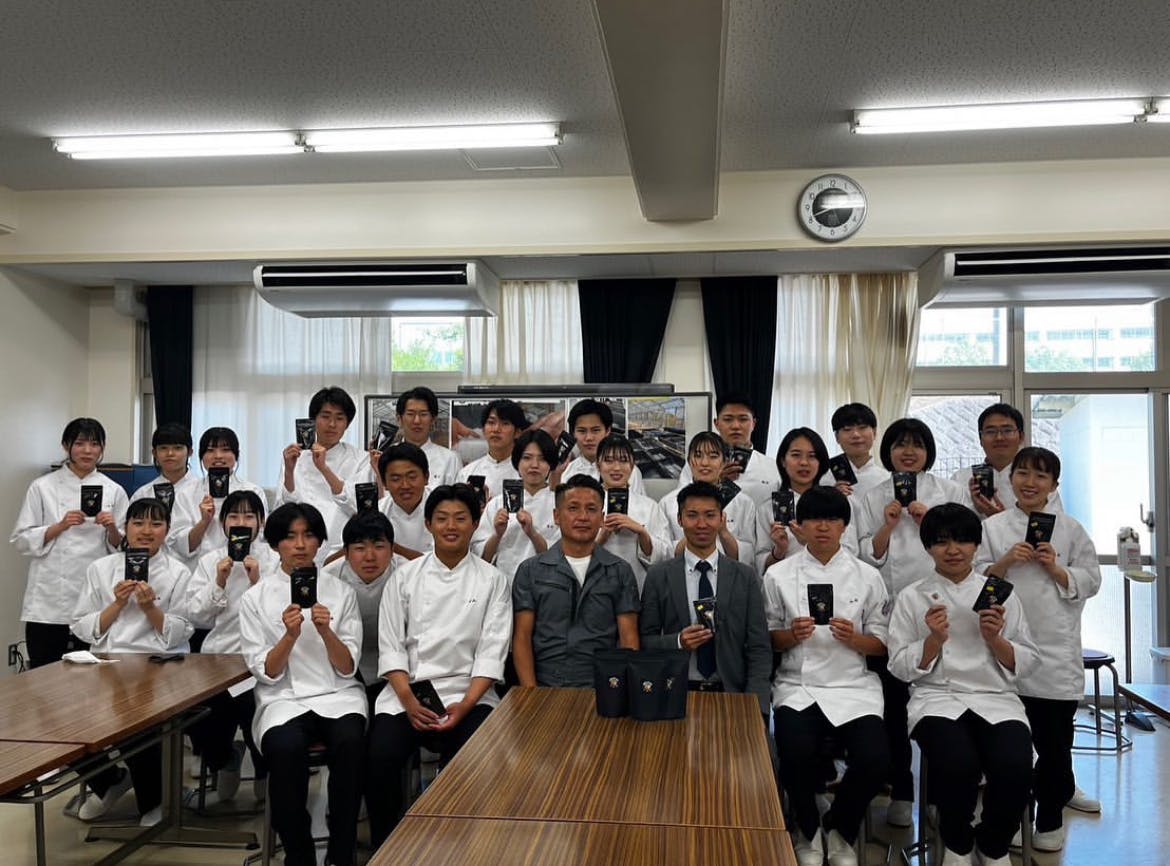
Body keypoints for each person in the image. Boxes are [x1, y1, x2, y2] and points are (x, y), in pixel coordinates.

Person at [888, 503, 1038, 866]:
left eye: (962, 540)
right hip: (936, 698)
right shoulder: (912, 596)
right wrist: (933, 641)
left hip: (995, 697)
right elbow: (898, 665)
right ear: (928, 547)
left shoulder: (1000, 593)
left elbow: (1029, 659)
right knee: (957, 764)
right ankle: (956, 843)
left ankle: (992, 844)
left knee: (1015, 765)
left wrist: (995, 639)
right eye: (941, 542)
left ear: (976, 545)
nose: (953, 550)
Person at [365, 484, 511, 847]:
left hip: (469, 693)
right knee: (380, 757)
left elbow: (492, 651)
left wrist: (466, 703)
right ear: (428, 524)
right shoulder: (405, 577)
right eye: (442, 518)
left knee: (478, 758)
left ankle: (466, 846)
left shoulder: (492, 580)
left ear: (475, 524)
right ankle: (388, 848)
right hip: (407, 693)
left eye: (461, 518)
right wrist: (408, 700)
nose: (451, 526)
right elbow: (391, 647)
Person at [975, 447, 1102, 849]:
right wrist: (1004, 562)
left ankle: (1049, 820)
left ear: (1054, 485)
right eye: (1023, 473)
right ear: (1010, 478)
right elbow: (971, 578)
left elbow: (1092, 580)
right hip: (1003, 650)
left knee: (1054, 747)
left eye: (1041, 476)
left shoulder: (1071, 529)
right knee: (1007, 750)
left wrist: (1056, 568)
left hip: (1053, 653)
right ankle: (1013, 819)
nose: (1030, 483)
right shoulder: (993, 527)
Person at [854, 417, 971, 827]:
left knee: (942, 708)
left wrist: (930, 523)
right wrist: (888, 525)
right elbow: (866, 556)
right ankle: (901, 789)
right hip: (893, 612)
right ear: (888, 451)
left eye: (916, 445)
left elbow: (964, 545)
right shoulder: (872, 495)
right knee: (894, 709)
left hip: (941, 609)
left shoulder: (949, 492)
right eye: (900, 444)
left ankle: (938, 796)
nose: (908, 452)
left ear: (928, 452)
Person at [764, 487, 890, 866]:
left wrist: (855, 639)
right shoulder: (778, 575)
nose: (823, 527)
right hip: (798, 685)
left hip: (854, 686)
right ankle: (807, 830)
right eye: (814, 519)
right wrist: (791, 635)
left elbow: (882, 645)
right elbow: (769, 638)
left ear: (844, 526)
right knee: (794, 753)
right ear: (800, 525)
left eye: (832, 519)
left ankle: (841, 829)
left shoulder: (867, 576)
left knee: (875, 760)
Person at [238, 502, 366, 866]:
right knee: (284, 749)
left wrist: (325, 631)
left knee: (351, 743)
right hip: (283, 699)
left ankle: (341, 851)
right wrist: (290, 636)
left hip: (338, 695)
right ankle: (299, 853)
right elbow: (267, 671)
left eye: (308, 535)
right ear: (275, 544)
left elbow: (347, 667)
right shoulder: (255, 598)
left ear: (320, 541)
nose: (299, 545)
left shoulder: (341, 592)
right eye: (290, 537)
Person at [70, 497, 193, 826]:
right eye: (138, 523)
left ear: (167, 530)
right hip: (107, 662)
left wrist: (150, 608)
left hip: (157, 664)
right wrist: (117, 604)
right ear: (125, 528)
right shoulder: (101, 568)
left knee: (135, 718)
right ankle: (109, 781)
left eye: (156, 524)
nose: (146, 531)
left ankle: (155, 799)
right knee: (62, 725)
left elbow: (183, 629)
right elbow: (80, 625)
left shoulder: (179, 573)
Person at [641, 481, 770, 709]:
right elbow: (645, 641)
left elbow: (759, 647)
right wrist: (678, 642)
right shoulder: (658, 576)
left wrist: (756, 705)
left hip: (732, 694)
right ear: (680, 519)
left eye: (710, 515)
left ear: (722, 519)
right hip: (674, 692)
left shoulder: (744, 576)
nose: (701, 524)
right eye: (692, 515)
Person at [11, 417, 128, 668]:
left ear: (102, 448)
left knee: (95, 674)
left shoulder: (114, 490)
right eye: (80, 444)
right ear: (66, 446)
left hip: (96, 596)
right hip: (50, 598)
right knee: (44, 671)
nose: (87, 451)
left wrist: (111, 527)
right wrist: (60, 526)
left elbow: (124, 547)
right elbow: (21, 540)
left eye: (94, 444)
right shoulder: (42, 487)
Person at [184, 490, 276, 801]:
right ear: (223, 523)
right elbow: (196, 615)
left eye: (249, 516)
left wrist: (257, 581)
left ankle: (263, 769)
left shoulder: (273, 559)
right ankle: (225, 761)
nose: (241, 522)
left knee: (253, 709)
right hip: (219, 656)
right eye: (234, 516)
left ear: (261, 522)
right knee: (196, 713)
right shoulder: (210, 560)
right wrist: (219, 581)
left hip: (261, 658)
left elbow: (278, 617)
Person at [512, 474, 640, 688]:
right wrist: (531, 695)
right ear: (556, 516)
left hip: (604, 686)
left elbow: (629, 639)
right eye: (573, 508)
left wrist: (621, 693)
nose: (583, 517)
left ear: (602, 517)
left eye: (591, 509)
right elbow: (522, 638)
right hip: (546, 685)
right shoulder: (530, 571)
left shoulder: (620, 571)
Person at [322, 510, 403, 708]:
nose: (369, 557)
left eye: (379, 547)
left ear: (393, 549)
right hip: (343, 671)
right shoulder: (328, 578)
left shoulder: (407, 574)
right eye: (359, 548)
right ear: (346, 552)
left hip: (399, 668)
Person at [278, 386, 368, 562]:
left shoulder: (361, 459)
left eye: (339, 418)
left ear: (347, 423)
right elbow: (283, 508)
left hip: (342, 549)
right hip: (301, 545)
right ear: (313, 420)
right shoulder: (294, 456)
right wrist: (289, 471)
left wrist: (324, 468)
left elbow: (359, 508)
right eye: (325, 416)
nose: (332, 424)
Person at [757, 427, 858, 573]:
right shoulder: (767, 508)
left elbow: (852, 553)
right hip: (785, 581)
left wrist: (809, 542)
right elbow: (760, 565)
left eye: (812, 456)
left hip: (832, 579)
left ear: (820, 462)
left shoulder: (836, 503)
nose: (804, 462)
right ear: (783, 461)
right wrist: (779, 550)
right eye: (796, 455)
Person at [472, 428, 561, 584]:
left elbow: (560, 557)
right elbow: (481, 557)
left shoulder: (560, 504)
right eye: (527, 458)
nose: (534, 465)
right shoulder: (497, 504)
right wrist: (497, 534)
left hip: (547, 585)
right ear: (517, 462)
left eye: (542, 459)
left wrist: (532, 533)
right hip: (504, 583)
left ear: (551, 464)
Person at [170, 426, 268, 567]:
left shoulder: (253, 491)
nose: (218, 456)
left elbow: (261, 538)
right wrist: (204, 522)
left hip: (243, 568)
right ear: (201, 456)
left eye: (226, 450)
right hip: (198, 569)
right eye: (210, 450)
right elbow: (181, 547)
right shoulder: (186, 493)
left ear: (236, 455)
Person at [659, 432, 759, 569]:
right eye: (698, 455)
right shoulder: (668, 503)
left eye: (713, 456)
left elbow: (748, 556)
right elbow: (664, 555)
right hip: (683, 575)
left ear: (725, 461)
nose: (705, 463)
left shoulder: (743, 503)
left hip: (728, 574)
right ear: (689, 461)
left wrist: (723, 531)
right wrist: (694, 532)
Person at [952, 403, 1062, 519]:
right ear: (980, 439)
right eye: (991, 431)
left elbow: (1054, 524)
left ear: (1021, 437)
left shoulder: (1038, 482)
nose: (999, 437)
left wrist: (1000, 519)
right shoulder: (960, 479)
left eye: (1007, 430)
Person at [594, 434, 672, 591]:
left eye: (623, 460)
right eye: (609, 460)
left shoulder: (649, 506)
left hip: (638, 587)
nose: (616, 468)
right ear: (598, 465)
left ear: (632, 465)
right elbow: (573, 552)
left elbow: (666, 555)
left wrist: (642, 533)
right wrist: (601, 537)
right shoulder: (588, 504)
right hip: (596, 588)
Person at [677, 394, 781, 508]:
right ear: (716, 424)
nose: (735, 426)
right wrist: (714, 482)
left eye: (743, 419)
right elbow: (680, 505)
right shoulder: (697, 465)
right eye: (728, 419)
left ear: (753, 424)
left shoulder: (772, 467)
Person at [554, 398, 646, 494]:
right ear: (573, 433)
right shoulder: (565, 471)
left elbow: (636, 502)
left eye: (595, 430)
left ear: (607, 431)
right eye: (582, 431)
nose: (589, 438)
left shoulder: (627, 472)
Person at [456, 399, 529, 500]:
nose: (496, 429)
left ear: (517, 432)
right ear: (483, 430)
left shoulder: (528, 472)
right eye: (491, 422)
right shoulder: (467, 473)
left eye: (505, 423)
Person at [394, 386, 461, 486]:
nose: (417, 421)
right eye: (410, 414)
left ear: (433, 420)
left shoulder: (450, 459)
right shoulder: (387, 456)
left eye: (423, 414)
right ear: (399, 419)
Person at [377, 443, 434, 559]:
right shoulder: (377, 511)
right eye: (396, 479)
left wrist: (392, 547)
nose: (405, 485)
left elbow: (446, 559)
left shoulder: (443, 508)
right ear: (384, 483)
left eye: (412, 477)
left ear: (426, 477)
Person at [826, 403, 888, 501]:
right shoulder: (824, 479)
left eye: (862, 427)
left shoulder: (886, 479)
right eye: (847, 429)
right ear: (837, 437)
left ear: (874, 432)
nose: (856, 435)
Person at [129, 422, 200, 505]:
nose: (170, 453)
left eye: (177, 448)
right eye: (163, 448)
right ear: (154, 453)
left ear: (190, 452)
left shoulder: (202, 490)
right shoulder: (143, 495)